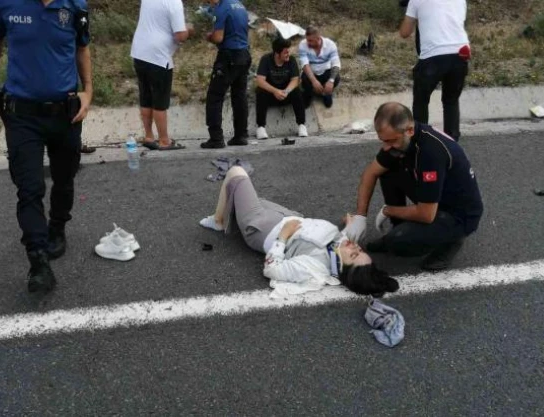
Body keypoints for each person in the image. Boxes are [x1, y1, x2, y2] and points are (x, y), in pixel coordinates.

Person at [0, 0, 93, 293]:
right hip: (22, 116)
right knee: (29, 188)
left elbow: (81, 48)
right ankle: (38, 260)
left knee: (64, 178)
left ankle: (58, 228)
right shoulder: (5, 4)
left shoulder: (76, 5)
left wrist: (88, 91)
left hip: (66, 114)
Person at [199, 166, 399, 297]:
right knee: (243, 196)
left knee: (236, 173)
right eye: (360, 250)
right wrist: (348, 224)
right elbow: (338, 240)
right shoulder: (339, 248)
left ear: (341, 268)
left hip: (261, 228)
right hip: (285, 217)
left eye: (354, 254)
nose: (355, 247)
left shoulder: (314, 267)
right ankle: (229, 217)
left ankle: (218, 221)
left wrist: (283, 236)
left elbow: (272, 269)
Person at [345, 102, 483, 271]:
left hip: (458, 215)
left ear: (409, 130)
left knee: (399, 242)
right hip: (436, 198)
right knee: (388, 171)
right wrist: (360, 216)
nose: (385, 147)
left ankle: (452, 241)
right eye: (383, 140)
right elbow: (370, 173)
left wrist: (388, 210)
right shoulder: (404, 138)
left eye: (391, 140)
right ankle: (399, 227)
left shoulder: (430, 154)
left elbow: (426, 215)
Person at [400, 0, 471, 141]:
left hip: (432, 56)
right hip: (460, 52)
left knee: (421, 101)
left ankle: (421, 140)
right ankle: (452, 142)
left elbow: (405, 32)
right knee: (451, 100)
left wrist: (416, 16)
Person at [131, 0, 195, 151]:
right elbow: (180, 36)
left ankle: (149, 136)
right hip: (158, 56)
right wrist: (189, 30)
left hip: (139, 51)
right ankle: (164, 140)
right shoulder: (174, 3)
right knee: (160, 100)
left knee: (145, 97)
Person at [200, 0, 252, 149]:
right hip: (244, 54)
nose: (208, 2)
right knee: (239, 96)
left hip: (228, 56)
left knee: (215, 96)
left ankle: (216, 138)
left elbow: (218, 37)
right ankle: (241, 135)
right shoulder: (240, 6)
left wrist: (209, 36)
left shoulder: (222, 8)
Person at [254, 37, 308, 140]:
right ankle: (261, 127)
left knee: (297, 91)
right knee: (260, 91)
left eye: (288, 51)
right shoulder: (266, 59)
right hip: (271, 95)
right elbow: (260, 80)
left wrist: (286, 91)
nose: (288, 54)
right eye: (285, 52)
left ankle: (301, 125)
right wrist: (275, 91)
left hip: (285, 94)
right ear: (277, 53)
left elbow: (295, 80)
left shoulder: (291, 60)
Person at [298, 26, 342, 109]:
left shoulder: (330, 45)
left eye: (310, 41)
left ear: (318, 38)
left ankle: (326, 92)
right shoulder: (303, 45)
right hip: (311, 72)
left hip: (325, 71)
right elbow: (304, 64)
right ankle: (309, 94)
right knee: (305, 79)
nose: (307, 43)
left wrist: (331, 81)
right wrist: (314, 81)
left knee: (336, 78)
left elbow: (336, 63)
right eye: (307, 40)